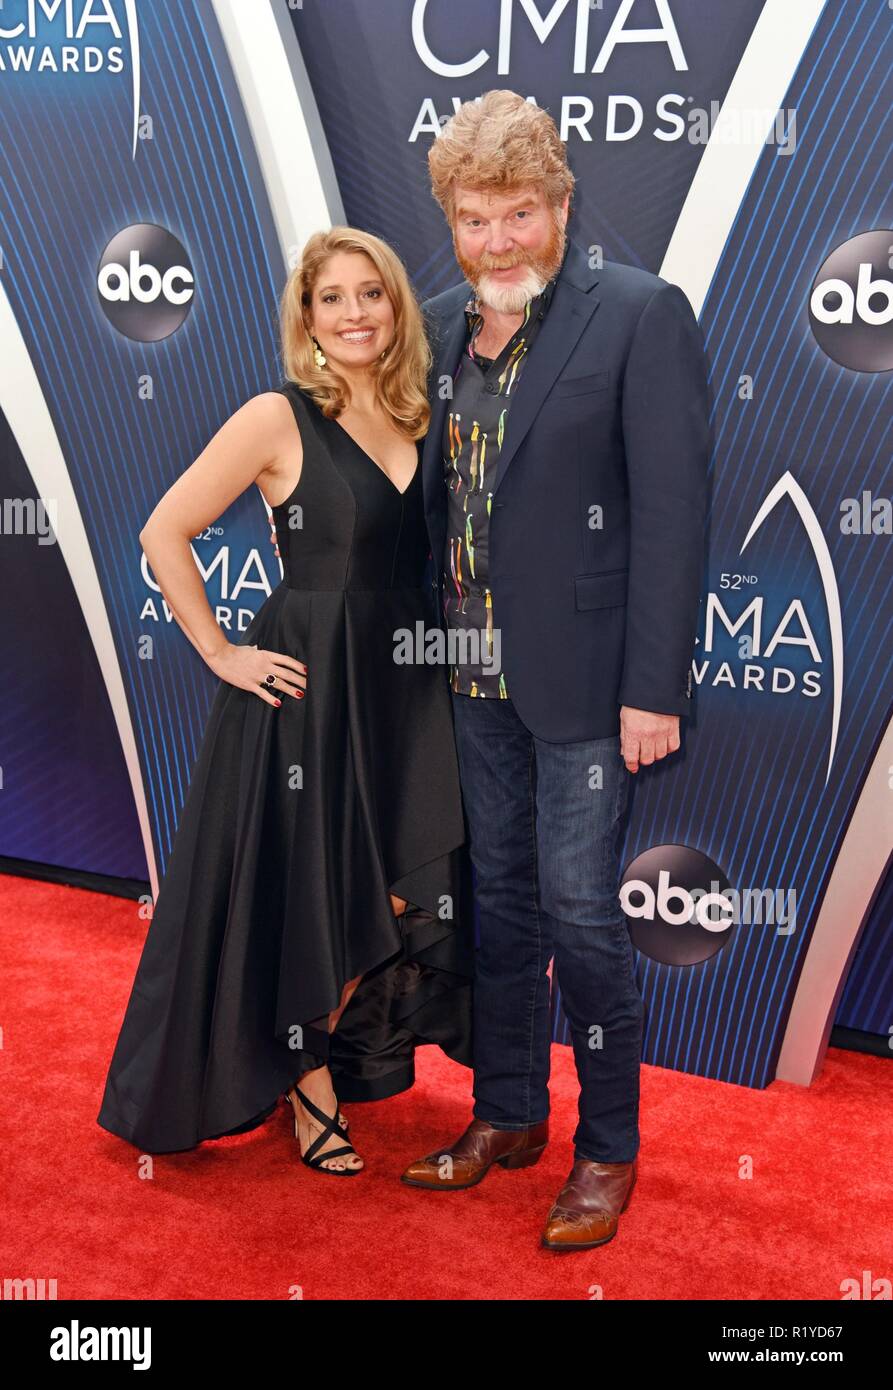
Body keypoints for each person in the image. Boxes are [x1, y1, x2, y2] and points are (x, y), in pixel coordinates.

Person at [395, 90, 712, 1248]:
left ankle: (607, 1147)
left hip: (588, 683)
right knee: (502, 906)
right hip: (467, 675)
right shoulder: (434, 330)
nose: (496, 242)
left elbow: (673, 516)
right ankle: (508, 1115)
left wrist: (653, 688)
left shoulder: (635, 314)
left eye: (517, 214)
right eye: (474, 220)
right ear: (451, 220)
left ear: (561, 206)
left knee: (581, 916)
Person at [97, 227, 474, 1175]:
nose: (353, 313)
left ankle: (323, 1058)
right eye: (331, 298)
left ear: (394, 309)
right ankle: (309, 1091)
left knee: (392, 883)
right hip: (308, 685)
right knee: (316, 887)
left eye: (370, 294)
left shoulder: (424, 416)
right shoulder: (276, 417)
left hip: (404, 687)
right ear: (305, 318)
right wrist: (222, 651)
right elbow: (162, 530)